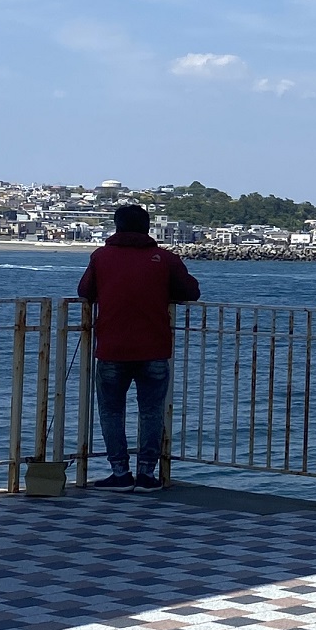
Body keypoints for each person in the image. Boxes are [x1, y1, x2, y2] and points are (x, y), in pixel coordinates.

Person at [76, 203, 201, 490]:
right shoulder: (165, 258)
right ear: (148, 228)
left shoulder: (101, 256)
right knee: (151, 411)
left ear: (117, 226)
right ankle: (146, 474)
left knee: (111, 412)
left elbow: (84, 291)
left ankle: (119, 473)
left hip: (112, 348)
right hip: (154, 347)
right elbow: (191, 291)